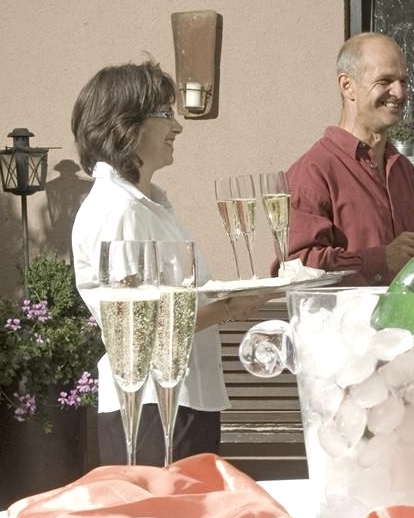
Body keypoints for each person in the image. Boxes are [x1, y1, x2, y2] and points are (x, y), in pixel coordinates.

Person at [71, 60, 267, 466]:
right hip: (151, 405)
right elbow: (140, 324)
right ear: (126, 125)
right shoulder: (118, 209)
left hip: (181, 398)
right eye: (165, 113)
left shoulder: (147, 205)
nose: (177, 127)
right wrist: (231, 307)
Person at [283, 32, 414, 285]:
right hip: (342, 314)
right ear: (347, 86)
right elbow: (296, 268)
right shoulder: (313, 171)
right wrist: (380, 260)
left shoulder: (402, 168)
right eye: (385, 81)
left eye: (403, 82)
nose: (399, 93)